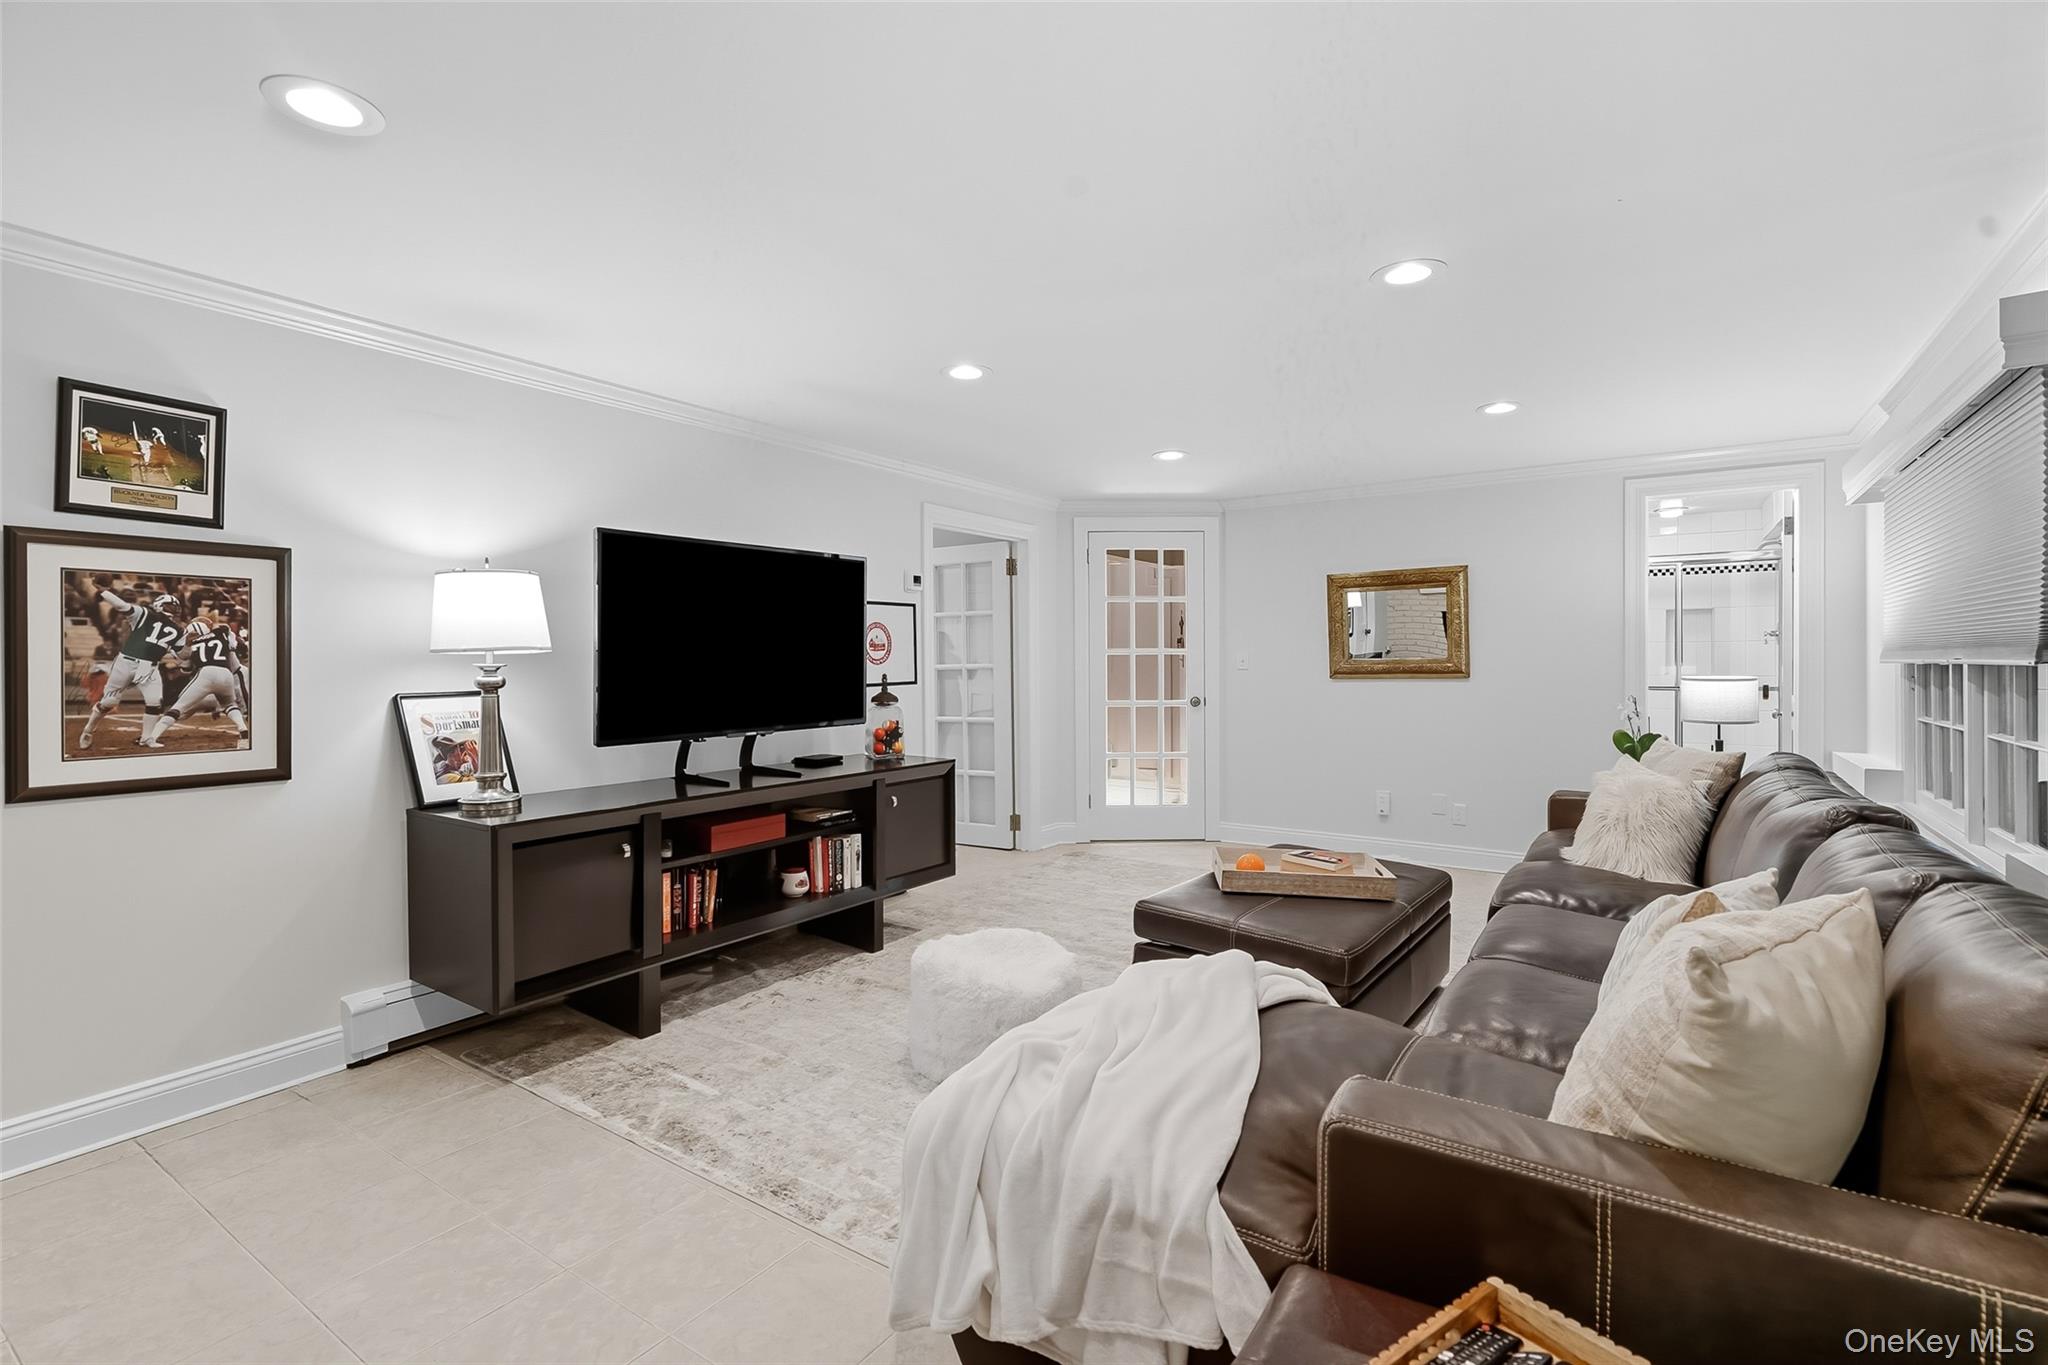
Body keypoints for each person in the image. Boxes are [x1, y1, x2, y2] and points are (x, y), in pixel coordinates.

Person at [77, 580, 181, 750]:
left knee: (155, 701)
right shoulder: (145, 614)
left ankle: (146, 738)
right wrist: (105, 592)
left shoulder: (177, 629)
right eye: (170, 606)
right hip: (126, 662)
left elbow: (182, 653)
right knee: (109, 701)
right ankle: (88, 729)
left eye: (176, 607)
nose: (174, 609)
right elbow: (122, 605)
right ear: (160, 605)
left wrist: (191, 644)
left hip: (150, 666)